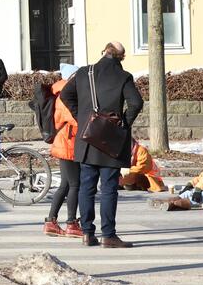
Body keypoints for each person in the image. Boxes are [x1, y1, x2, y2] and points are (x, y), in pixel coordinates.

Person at [59, 42, 143, 248]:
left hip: (87, 137)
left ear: (103, 51)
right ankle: (109, 235)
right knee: (108, 189)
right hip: (111, 139)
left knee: (86, 187)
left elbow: (65, 95)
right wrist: (124, 122)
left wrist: (82, 117)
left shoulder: (84, 72)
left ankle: (87, 233)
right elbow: (136, 102)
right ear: (121, 58)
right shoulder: (123, 77)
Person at [41, 78, 82, 238]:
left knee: (65, 185)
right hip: (68, 142)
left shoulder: (61, 93)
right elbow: (75, 119)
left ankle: (51, 222)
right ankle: (71, 223)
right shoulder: (67, 95)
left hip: (65, 141)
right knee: (75, 185)